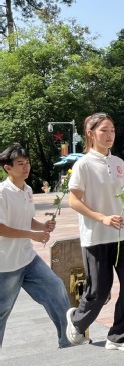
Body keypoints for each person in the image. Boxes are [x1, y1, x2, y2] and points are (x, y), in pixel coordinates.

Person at [65, 112, 124, 352]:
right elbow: (73, 201)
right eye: (104, 130)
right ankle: (77, 321)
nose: (110, 135)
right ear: (90, 133)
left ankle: (119, 336)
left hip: (121, 237)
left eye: (112, 130)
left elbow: (123, 200)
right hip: (96, 238)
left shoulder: (118, 163)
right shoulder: (83, 165)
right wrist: (102, 218)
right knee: (99, 291)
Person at [0, 143, 71, 349]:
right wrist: (33, 235)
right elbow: (1, 228)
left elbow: (27, 220)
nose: (26, 167)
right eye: (20, 163)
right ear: (8, 168)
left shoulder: (28, 190)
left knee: (55, 288)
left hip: (28, 259)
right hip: (6, 265)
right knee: (2, 312)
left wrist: (42, 226)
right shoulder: (2, 193)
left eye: (28, 162)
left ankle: (68, 340)